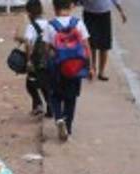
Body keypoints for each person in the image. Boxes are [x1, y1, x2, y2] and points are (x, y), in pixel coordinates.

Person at [44, 0, 92, 141]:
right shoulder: (78, 23)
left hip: (57, 67)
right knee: (71, 98)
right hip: (75, 67)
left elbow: (46, 50)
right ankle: (68, 127)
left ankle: (59, 118)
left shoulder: (50, 25)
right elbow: (86, 46)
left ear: (54, 7)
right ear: (71, 6)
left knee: (55, 95)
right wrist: (90, 67)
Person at [15, 0, 51, 118]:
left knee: (30, 84)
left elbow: (28, 44)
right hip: (47, 60)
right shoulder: (48, 24)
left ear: (29, 13)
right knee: (45, 84)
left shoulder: (31, 26)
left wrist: (29, 60)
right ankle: (50, 108)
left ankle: (38, 105)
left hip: (36, 60)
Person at [79, 0, 127, 81]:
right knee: (91, 44)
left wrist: (121, 11)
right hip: (89, 14)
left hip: (104, 14)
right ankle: (92, 68)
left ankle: (101, 72)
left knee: (104, 45)